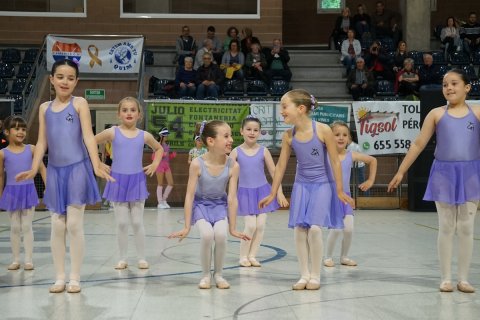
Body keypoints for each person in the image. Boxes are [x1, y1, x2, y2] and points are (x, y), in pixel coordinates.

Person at [16, 58, 113, 294]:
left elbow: (89, 136)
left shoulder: (79, 103)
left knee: (74, 225)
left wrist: (97, 162)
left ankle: (75, 277)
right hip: (56, 172)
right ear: (51, 79)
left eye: (70, 78)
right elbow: (41, 142)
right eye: (60, 77)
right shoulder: (43, 108)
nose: (65, 81)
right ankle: (60, 277)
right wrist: (34, 167)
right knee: (57, 227)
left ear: (76, 81)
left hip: (78, 169)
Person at [388, 69, 480, 294]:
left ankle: (464, 278)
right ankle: (446, 278)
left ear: (467, 87)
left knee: (467, 227)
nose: (448, 88)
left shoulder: (477, 113)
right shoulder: (436, 114)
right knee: (447, 227)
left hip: (470, 172)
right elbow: (419, 144)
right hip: (444, 173)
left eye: (454, 83)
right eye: (445, 84)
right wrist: (401, 171)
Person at [259, 89, 354, 291]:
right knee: (300, 230)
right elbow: (281, 166)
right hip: (301, 184)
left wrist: (339, 190)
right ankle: (304, 274)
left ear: (301, 108)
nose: (281, 111)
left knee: (315, 228)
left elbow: (336, 162)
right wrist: (273, 192)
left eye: (285, 106)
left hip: (322, 184)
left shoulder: (322, 130)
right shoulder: (288, 135)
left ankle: (316, 275)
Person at [168, 120, 250, 289]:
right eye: (226, 136)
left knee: (221, 236)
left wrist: (233, 227)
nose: (231, 140)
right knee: (206, 235)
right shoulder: (197, 164)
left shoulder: (233, 165)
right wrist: (186, 226)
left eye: (231, 135)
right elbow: (190, 196)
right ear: (211, 141)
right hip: (201, 206)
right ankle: (205, 275)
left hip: (220, 206)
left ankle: (218, 274)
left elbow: (232, 198)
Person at [95, 97, 163, 270]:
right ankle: (122, 258)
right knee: (122, 223)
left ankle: (141, 258)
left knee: (138, 222)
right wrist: (96, 162)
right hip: (118, 181)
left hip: (136, 180)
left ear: (139, 114)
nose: (129, 113)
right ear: (119, 114)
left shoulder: (144, 135)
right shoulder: (112, 132)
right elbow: (90, 141)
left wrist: (155, 163)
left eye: (133, 110)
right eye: (125, 110)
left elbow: (159, 148)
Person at [229, 116, 288, 267]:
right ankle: (243, 256)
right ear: (241, 131)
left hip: (263, 192)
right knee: (250, 226)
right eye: (248, 129)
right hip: (245, 193)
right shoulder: (235, 152)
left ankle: (252, 255)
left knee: (261, 225)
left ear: (260, 133)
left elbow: (275, 173)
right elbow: (228, 176)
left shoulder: (264, 151)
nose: (252, 132)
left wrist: (279, 193)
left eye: (256, 130)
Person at [324, 121, 377, 268]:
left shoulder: (350, 155)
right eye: (337, 135)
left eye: (345, 135)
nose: (341, 138)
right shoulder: (325, 155)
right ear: (329, 137)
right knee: (335, 229)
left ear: (349, 139)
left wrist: (371, 180)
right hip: (330, 197)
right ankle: (327, 256)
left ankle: (344, 256)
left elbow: (373, 161)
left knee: (348, 229)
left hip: (346, 196)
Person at [0, 116, 46, 271]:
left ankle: (28, 259)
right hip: (11, 192)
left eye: (23, 129)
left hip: (28, 191)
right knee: (14, 227)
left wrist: (48, 186)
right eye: (17, 128)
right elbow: (1, 176)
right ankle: (15, 259)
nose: (21, 132)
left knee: (26, 226)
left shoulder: (31, 149)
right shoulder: (2, 153)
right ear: (7, 131)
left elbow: (41, 168)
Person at [153, 127, 175, 209]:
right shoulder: (157, 144)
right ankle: (160, 202)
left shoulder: (167, 145)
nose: (167, 137)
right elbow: (153, 157)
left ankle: (164, 200)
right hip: (159, 165)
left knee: (171, 183)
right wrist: (162, 155)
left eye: (167, 135)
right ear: (161, 136)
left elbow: (167, 156)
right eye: (165, 135)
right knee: (160, 184)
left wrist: (171, 156)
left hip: (166, 165)